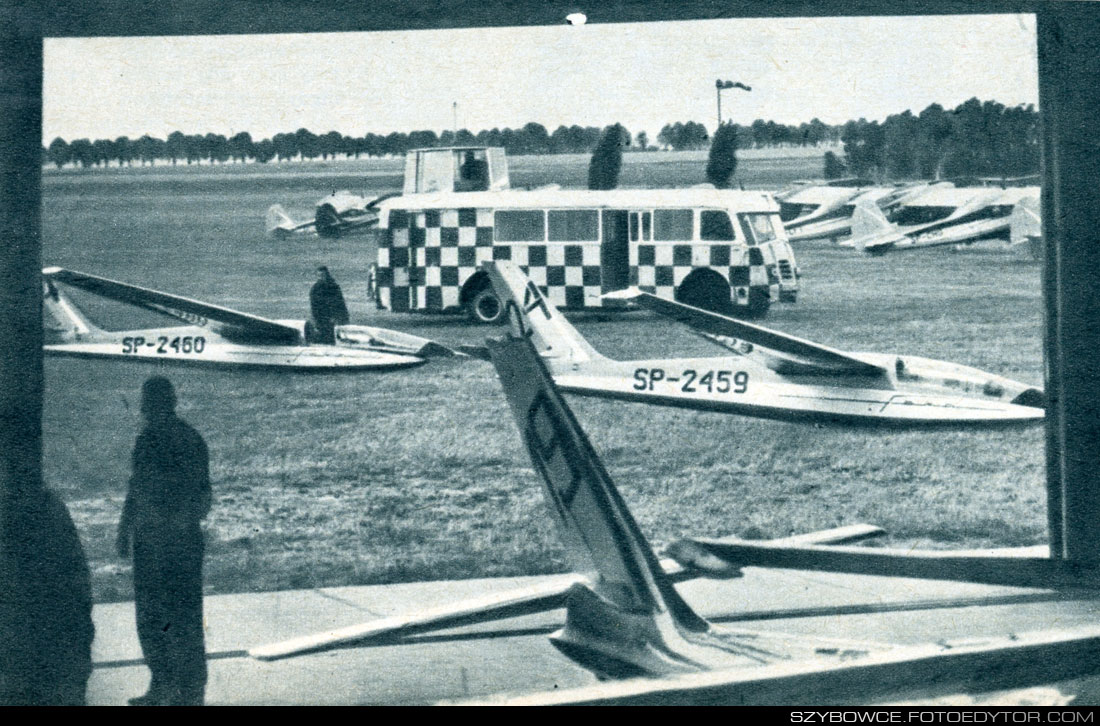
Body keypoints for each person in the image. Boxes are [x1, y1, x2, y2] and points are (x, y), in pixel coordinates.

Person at [117, 377, 211, 706]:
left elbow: (142, 489)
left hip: (162, 544)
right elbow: (201, 498)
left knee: (163, 620)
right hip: (171, 542)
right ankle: (179, 691)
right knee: (177, 620)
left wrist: (128, 528)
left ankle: (174, 690)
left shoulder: (157, 440)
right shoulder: (188, 438)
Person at [308, 265, 350, 344]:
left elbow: (340, 302)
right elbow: (314, 307)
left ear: (327, 275)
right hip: (322, 319)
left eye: (323, 275)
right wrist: (316, 320)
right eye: (319, 276)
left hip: (334, 318)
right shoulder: (315, 289)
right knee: (325, 339)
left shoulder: (334, 287)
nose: (321, 277)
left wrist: (342, 316)